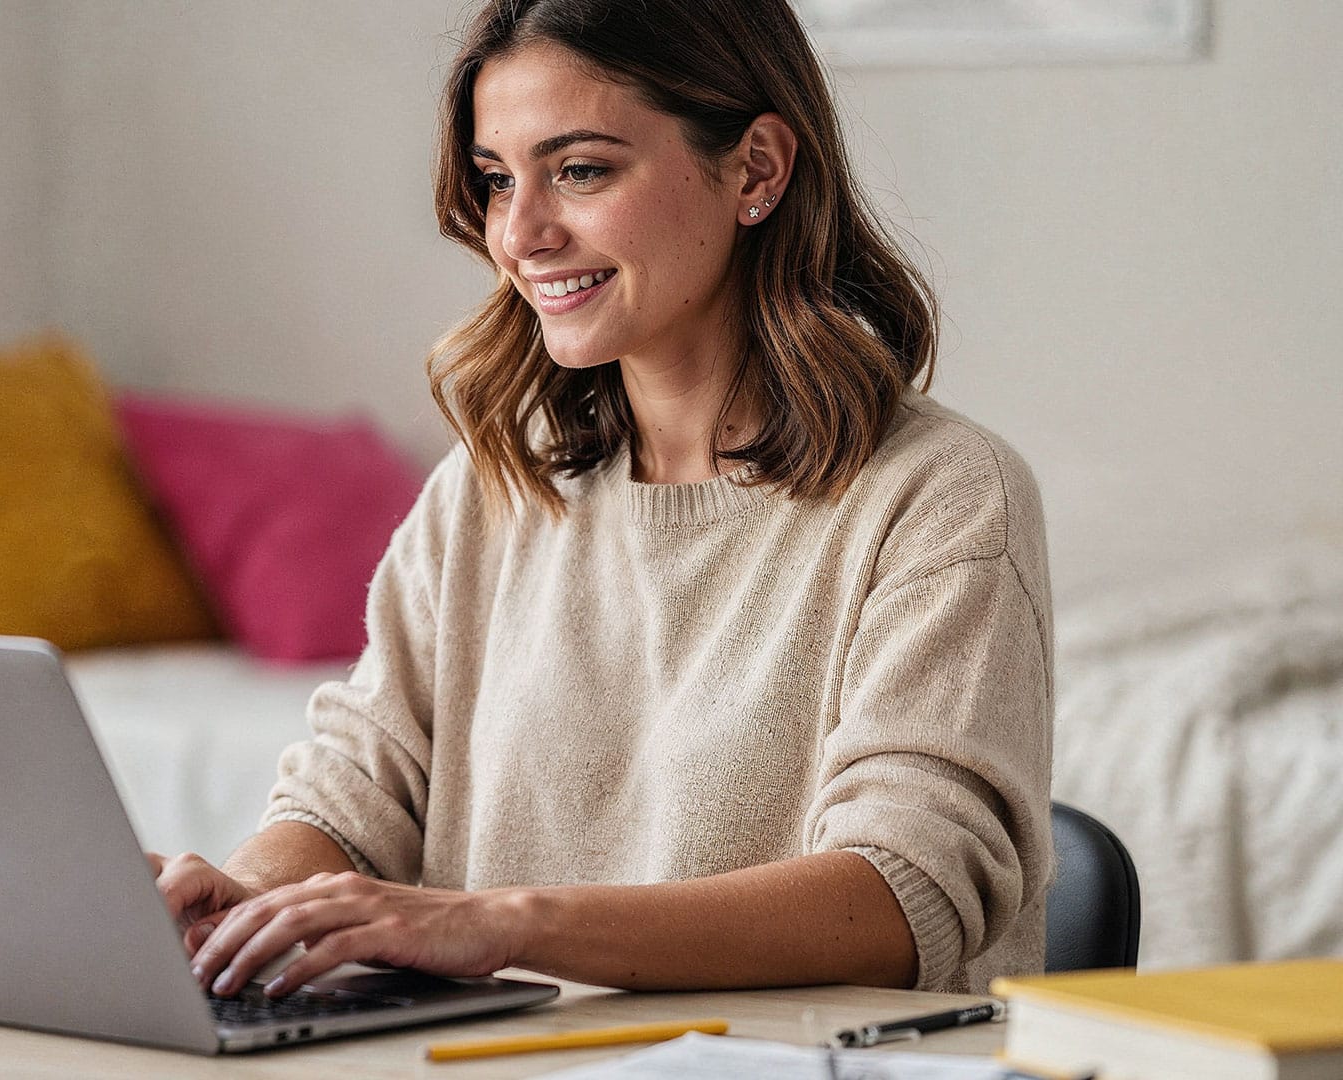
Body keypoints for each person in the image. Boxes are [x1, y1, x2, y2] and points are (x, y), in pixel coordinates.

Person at [152, 0, 1052, 999]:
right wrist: (245, 900)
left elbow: (900, 895)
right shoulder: (493, 490)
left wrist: (500, 923)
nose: (521, 234)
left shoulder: (942, 497)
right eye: (498, 180)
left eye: (580, 170)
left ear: (756, 169)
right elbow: (350, 797)